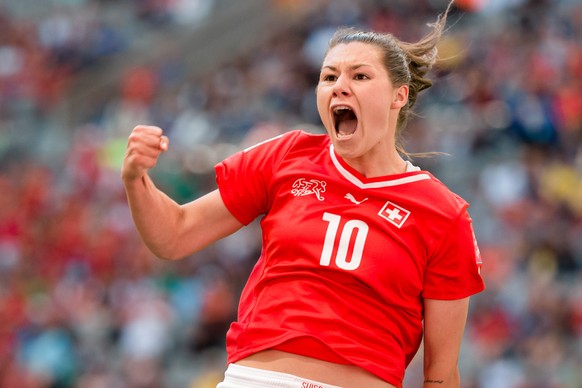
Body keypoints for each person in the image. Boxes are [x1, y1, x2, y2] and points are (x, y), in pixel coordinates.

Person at [121, 1, 484, 387]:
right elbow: (174, 235)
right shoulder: (286, 156)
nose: (339, 85)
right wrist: (135, 179)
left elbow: (441, 375)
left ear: (398, 96)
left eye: (360, 76)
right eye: (329, 77)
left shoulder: (443, 213)